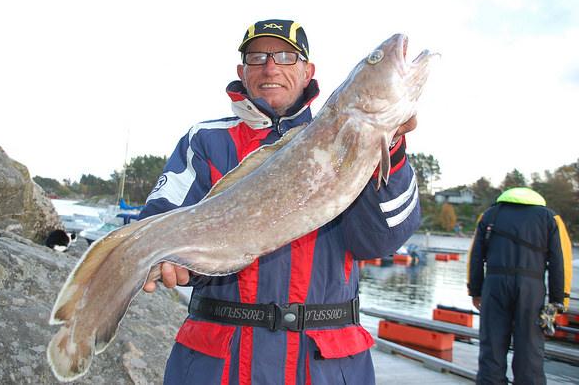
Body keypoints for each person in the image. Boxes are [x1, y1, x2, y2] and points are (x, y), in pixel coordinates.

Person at [139, 19, 421, 385]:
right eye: (257, 58)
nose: (271, 68)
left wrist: (391, 149)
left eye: (286, 57)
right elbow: (158, 223)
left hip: (324, 368)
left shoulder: (353, 140)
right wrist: (171, 259)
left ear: (308, 71)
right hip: (218, 367)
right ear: (242, 71)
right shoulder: (205, 140)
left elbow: (380, 240)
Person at [467, 187, 573, 385]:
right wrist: (559, 300)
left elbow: (475, 256)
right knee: (530, 349)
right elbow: (561, 262)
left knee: (491, 347)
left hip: (495, 285)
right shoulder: (550, 218)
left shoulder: (489, 214)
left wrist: (475, 290)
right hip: (531, 288)